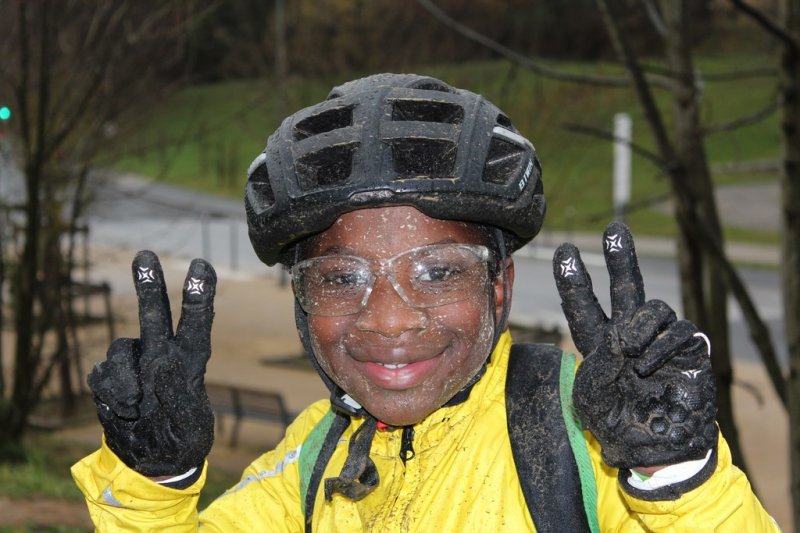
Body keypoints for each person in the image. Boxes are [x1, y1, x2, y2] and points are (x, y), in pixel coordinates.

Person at [72, 73, 778, 531]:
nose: (388, 320)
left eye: (439, 272)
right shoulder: (316, 452)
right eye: (341, 277)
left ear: (499, 288)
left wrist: (674, 474)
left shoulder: (583, 437)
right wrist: (154, 479)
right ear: (300, 304)